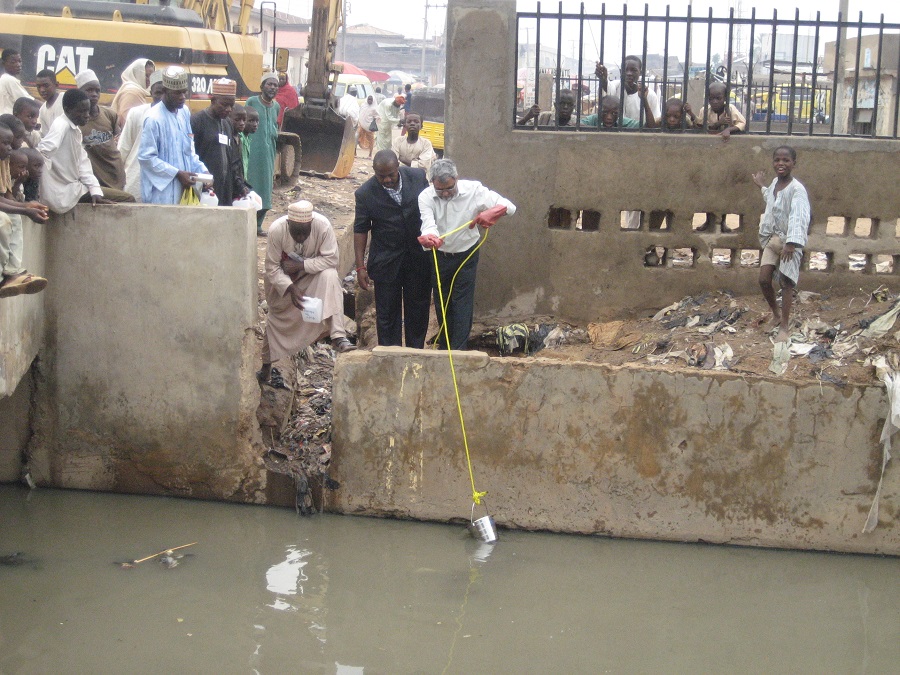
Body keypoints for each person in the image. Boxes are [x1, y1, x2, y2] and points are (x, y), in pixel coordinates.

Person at [418, 158, 516, 350]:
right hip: (440, 255)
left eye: (449, 188)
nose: (445, 193)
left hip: (466, 254)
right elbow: (428, 223)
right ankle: (446, 344)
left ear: (456, 178)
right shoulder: (426, 197)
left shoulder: (474, 191)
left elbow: (510, 207)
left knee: (462, 301)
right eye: (440, 190)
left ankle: (459, 350)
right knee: (441, 301)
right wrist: (430, 237)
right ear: (432, 184)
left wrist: (493, 212)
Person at [260, 199, 356, 384]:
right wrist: (290, 288)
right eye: (297, 232)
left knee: (330, 276)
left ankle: (338, 336)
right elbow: (272, 267)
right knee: (275, 323)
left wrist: (301, 265)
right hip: (283, 287)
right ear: (289, 224)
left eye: (305, 231)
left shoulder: (323, 226)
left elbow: (331, 260)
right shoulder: (276, 230)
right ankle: (265, 367)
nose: (301, 236)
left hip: (310, 278)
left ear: (312, 224)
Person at [354, 150, 431, 348]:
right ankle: (390, 356)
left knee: (418, 310)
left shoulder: (418, 177)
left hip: (418, 259)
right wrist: (360, 267)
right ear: (374, 172)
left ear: (398, 167)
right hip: (386, 262)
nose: (387, 180)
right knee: (387, 314)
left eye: (391, 174)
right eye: (382, 176)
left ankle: (416, 354)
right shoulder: (364, 194)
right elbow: (361, 229)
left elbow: (432, 208)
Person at [752, 146, 811, 344]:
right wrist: (761, 186)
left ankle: (785, 327)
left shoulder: (797, 189)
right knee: (763, 279)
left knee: (786, 283)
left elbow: (799, 217)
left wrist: (792, 243)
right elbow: (772, 201)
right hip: (773, 239)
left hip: (789, 243)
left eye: (786, 160)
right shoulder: (776, 183)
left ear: (794, 163)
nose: (781, 164)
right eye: (777, 160)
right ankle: (776, 314)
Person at [38, 89, 132, 212]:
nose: (87, 115)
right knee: (127, 199)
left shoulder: (75, 130)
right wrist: (46, 181)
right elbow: (43, 150)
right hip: (64, 192)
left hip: (74, 189)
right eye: (81, 111)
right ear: (67, 110)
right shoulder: (61, 125)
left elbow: (83, 163)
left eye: (87, 110)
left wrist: (95, 190)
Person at [138, 66, 208, 205]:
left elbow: (188, 149)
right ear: (164, 91)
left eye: (184, 92)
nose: (182, 97)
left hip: (184, 191)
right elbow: (146, 157)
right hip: (161, 194)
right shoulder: (153, 119)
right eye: (177, 93)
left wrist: (202, 172)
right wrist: (176, 173)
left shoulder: (184, 112)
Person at [0, 122, 48, 299]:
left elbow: (3, 198)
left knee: (13, 218)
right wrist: (25, 210)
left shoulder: (3, 161)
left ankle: (12, 272)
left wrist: (25, 207)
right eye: (5, 143)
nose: (10, 148)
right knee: (2, 221)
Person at [191, 78, 249, 206]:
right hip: (205, 189)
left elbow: (232, 160)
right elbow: (190, 156)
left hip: (225, 189)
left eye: (231, 105)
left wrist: (240, 185)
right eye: (224, 104)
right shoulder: (197, 121)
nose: (228, 109)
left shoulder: (227, 123)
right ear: (213, 101)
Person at [117, 70, 165, 201]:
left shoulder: (177, 117)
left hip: (163, 187)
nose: (161, 98)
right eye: (157, 93)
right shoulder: (137, 113)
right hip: (135, 182)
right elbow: (123, 149)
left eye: (164, 93)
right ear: (150, 93)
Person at [77, 69, 127, 189]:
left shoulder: (109, 115)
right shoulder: (77, 122)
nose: (94, 94)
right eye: (89, 90)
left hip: (116, 174)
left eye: (97, 90)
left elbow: (117, 141)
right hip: (96, 180)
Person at [246, 72, 280, 236]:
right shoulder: (252, 102)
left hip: (268, 153)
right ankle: (249, 223)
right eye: (269, 84)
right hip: (253, 152)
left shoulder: (277, 106)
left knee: (266, 188)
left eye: (275, 85)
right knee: (251, 184)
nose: (272, 87)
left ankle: (259, 225)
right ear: (262, 86)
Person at [595, 55, 661, 126]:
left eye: (634, 70)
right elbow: (607, 87)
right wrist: (604, 79)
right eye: (625, 70)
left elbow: (655, 120)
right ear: (621, 72)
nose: (629, 73)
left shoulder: (649, 94)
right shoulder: (615, 86)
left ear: (641, 72)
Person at [110, 58, 155, 127]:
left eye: (151, 76)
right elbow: (130, 122)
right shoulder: (132, 92)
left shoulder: (135, 90)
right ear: (136, 73)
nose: (149, 80)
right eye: (146, 75)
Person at [0, 49, 31, 116]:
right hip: (9, 121)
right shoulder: (9, 80)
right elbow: (28, 102)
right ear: (3, 63)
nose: (18, 65)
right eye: (13, 62)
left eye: (20, 61)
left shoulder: (3, 78)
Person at [35, 69, 64, 137]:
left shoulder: (65, 99)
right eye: (38, 87)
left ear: (56, 85)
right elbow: (46, 136)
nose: (42, 90)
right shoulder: (42, 110)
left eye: (46, 85)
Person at [229, 104, 248, 179]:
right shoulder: (228, 139)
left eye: (244, 120)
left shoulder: (239, 138)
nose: (242, 123)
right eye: (237, 120)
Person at [241, 106, 259, 178]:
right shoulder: (240, 138)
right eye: (251, 121)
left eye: (257, 121)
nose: (255, 124)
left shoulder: (247, 138)